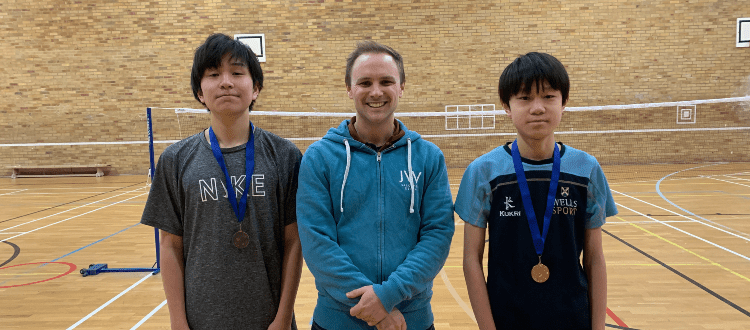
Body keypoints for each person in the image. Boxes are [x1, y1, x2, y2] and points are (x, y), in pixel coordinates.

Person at [140, 33, 303, 330]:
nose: (226, 81)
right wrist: (178, 322)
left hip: (269, 320)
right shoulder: (175, 160)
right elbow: (169, 246)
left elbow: (294, 242)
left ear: (255, 88)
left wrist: (282, 319)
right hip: (201, 320)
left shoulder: (285, 155)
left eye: (237, 73)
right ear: (200, 92)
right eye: (214, 74)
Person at [296, 40, 455, 330]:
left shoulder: (429, 157)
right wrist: (377, 309)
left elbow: (437, 235)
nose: (376, 91)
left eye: (386, 81)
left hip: (411, 320)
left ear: (402, 87)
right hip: (337, 321)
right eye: (365, 82)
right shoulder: (319, 157)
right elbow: (317, 241)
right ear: (349, 88)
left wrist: (387, 295)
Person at [456, 52, 618, 330]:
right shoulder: (483, 171)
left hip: (573, 316)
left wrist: (598, 327)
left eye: (548, 97)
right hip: (506, 317)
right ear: (507, 106)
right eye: (524, 98)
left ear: (564, 102)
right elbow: (471, 260)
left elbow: (594, 259)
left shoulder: (587, 169)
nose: (538, 108)